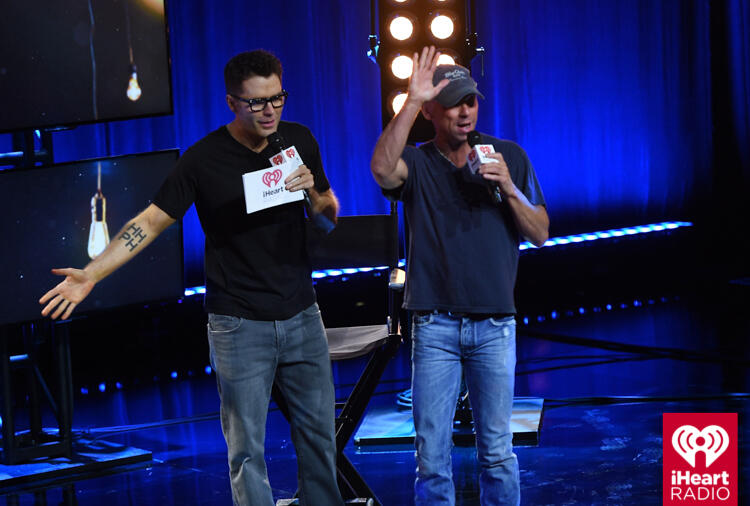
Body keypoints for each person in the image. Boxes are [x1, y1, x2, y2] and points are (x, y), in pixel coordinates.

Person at [39, 50, 344, 506]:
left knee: (320, 439)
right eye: (256, 102)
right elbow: (150, 222)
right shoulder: (204, 160)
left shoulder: (296, 141)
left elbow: (327, 218)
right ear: (231, 102)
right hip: (239, 324)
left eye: (277, 98)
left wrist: (313, 195)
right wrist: (91, 274)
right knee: (247, 452)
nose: (269, 111)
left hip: (302, 312)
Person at [370, 46, 549, 505]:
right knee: (432, 460)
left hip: (494, 325)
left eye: (470, 100)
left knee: (497, 453)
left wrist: (508, 186)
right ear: (430, 110)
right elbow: (381, 169)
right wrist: (409, 100)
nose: (465, 110)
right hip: (435, 325)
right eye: (452, 102)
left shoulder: (507, 155)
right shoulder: (419, 161)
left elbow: (540, 233)